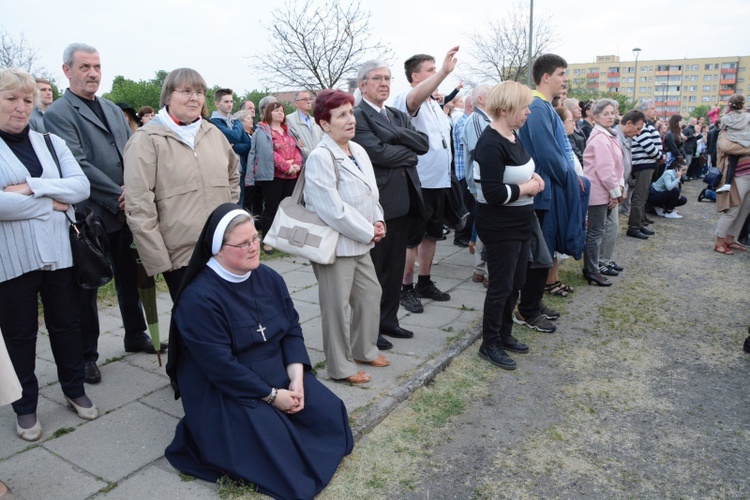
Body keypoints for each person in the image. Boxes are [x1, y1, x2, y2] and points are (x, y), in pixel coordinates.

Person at [164, 204, 353, 499]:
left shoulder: (269, 278)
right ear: (217, 250)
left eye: (255, 238)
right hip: (228, 387)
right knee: (278, 449)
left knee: (329, 413)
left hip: (276, 370)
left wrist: (297, 378)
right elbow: (220, 367)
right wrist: (273, 396)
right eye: (243, 243)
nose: (255, 247)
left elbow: (291, 329)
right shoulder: (198, 299)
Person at [44, 43, 162, 385]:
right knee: (88, 288)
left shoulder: (111, 108)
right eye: (84, 67)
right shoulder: (58, 114)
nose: (93, 73)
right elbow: (77, 164)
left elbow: (133, 151)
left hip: (125, 213)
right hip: (88, 216)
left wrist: (136, 191)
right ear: (67, 70)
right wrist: (118, 195)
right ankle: (86, 357)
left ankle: (136, 334)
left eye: (97, 66)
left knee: (132, 278)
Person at [0, 67, 98, 441]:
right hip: (12, 259)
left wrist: (30, 187)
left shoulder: (52, 142)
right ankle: (25, 407)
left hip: (60, 254)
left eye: (27, 100)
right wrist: (52, 204)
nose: (20, 107)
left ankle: (74, 388)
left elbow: (80, 187)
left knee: (67, 324)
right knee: (19, 335)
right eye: (11, 98)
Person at [123, 69, 240, 299]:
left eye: (199, 92)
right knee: (195, 321)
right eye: (186, 91)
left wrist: (229, 220)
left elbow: (233, 176)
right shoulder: (147, 140)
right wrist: (157, 257)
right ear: (168, 96)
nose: (194, 98)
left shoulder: (213, 134)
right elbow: (138, 204)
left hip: (221, 247)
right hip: (180, 256)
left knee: (224, 316)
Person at [303, 89, 387, 383]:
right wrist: (369, 232)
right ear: (325, 124)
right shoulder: (320, 157)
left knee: (370, 294)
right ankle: (340, 367)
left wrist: (379, 221)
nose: (350, 119)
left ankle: (364, 348)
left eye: (351, 112)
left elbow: (371, 193)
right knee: (336, 308)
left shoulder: (358, 150)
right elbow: (332, 210)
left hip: (361, 242)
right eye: (341, 115)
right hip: (335, 247)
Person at [352, 60, 429, 351]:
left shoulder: (396, 115)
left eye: (387, 78)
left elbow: (422, 145)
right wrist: (404, 150)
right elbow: (376, 153)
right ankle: (369, 329)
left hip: (405, 201)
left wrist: (394, 133)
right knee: (376, 271)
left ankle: (389, 320)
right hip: (379, 205)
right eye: (376, 79)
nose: (383, 83)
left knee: (396, 267)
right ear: (362, 85)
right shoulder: (358, 116)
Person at [474, 81, 544, 371]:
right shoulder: (489, 144)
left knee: (516, 282)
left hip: (520, 222)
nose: (528, 112)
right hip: (500, 226)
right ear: (504, 109)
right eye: (523, 107)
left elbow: (523, 168)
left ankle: (504, 334)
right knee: (500, 286)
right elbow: (492, 194)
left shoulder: (514, 135)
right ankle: (489, 344)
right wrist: (527, 188)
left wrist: (535, 178)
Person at [515, 53, 581, 333]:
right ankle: (527, 310)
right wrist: (569, 178)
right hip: (541, 190)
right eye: (561, 74)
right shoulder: (538, 107)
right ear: (546, 77)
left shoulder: (543, 106)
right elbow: (549, 153)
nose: (565, 80)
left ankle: (533, 303)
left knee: (543, 252)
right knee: (539, 254)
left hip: (546, 188)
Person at [393, 47, 459, 314]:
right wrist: (443, 72)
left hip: (439, 182)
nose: (436, 74)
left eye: (436, 69)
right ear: (415, 76)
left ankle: (424, 281)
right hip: (420, 182)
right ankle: (404, 287)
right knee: (412, 238)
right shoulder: (408, 99)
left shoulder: (434, 104)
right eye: (430, 70)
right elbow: (414, 100)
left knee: (432, 234)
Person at [247, 101, 302, 254]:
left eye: (282, 110)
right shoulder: (262, 131)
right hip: (273, 176)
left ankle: (285, 239)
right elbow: (267, 153)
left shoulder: (289, 130)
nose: (280, 113)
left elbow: (297, 148)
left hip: (292, 175)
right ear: (269, 113)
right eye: (277, 110)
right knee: (271, 208)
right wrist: (286, 166)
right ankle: (268, 241)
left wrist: (297, 164)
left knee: (288, 209)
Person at [581, 99, 624, 287]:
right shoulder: (599, 138)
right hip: (599, 192)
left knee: (599, 231)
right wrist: (616, 193)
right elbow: (605, 170)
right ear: (595, 116)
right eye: (605, 114)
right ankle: (592, 270)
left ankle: (594, 267)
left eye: (612, 113)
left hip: (605, 190)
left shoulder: (608, 135)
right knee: (596, 232)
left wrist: (618, 187)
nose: (610, 116)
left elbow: (617, 166)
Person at [627, 101, 663, 240]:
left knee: (643, 196)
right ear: (644, 111)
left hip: (647, 164)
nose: (655, 111)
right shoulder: (641, 126)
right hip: (643, 164)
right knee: (639, 197)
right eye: (652, 108)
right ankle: (634, 227)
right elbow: (648, 146)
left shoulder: (647, 125)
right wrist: (660, 156)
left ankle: (639, 223)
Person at [209, 88, 250, 206]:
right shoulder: (213, 122)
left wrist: (232, 147)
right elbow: (234, 136)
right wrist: (238, 124)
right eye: (226, 102)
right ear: (217, 104)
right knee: (225, 207)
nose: (230, 105)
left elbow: (248, 145)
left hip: (239, 171)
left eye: (231, 101)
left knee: (239, 206)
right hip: (222, 173)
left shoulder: (234, 122)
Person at [713, 132, 750, 255]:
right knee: (733, 210)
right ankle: (719, 242)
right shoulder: (736, 131)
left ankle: (730, 239)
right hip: (739, 176)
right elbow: (728, 149)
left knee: (744, 210)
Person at [716, 94, 750, 193]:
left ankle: (727, 183)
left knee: (732, 161)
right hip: (747, 142)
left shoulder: (726, 118)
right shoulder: (748, 116)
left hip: (734, 142)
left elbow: (723, 129)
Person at [286, 90, 323, 160]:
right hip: (303, 164)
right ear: (296, 103)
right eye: (305, 99)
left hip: (319, 160)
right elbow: (296, 144)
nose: (309, 102)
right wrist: (313, 155)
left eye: (310, 99)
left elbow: (323, 140)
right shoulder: (289, 120)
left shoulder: (315, 121)